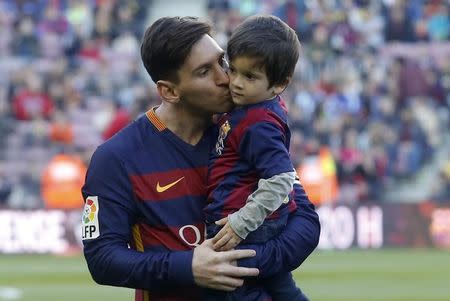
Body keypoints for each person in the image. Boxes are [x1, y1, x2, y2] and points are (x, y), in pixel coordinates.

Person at [81, 16, 320, 301]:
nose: (225, 78)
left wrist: (247, 262)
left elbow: (305, 220)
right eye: (205, 72)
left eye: (222, 62)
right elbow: (102, 259)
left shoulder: (247, 130)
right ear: (169, 91)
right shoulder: (116, 159)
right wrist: (188, 267)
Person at [204, 15, 305, 300]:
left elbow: (282, 178)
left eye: (249, 76)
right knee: (282, 287)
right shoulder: (254, 107)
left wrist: (241, 222)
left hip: (244, 225)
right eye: (232, 70)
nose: (235, 82)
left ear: (279, 84)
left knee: (220, 284)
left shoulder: (259, 121)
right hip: (251, 221)